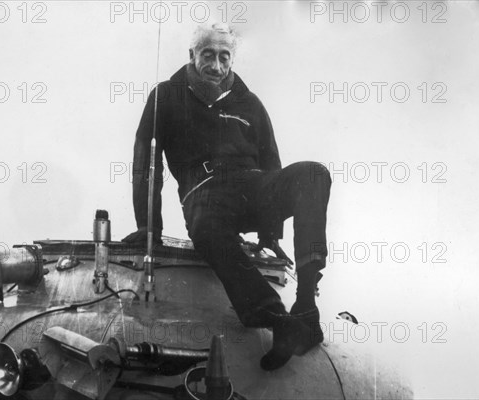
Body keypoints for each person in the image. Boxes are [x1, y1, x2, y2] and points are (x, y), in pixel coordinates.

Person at [122, 23, 332, 371]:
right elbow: (146, 163)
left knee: (314, 173)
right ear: (192, 55)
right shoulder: (166, 96)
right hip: (204, 193)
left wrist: (270, 234)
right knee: (206, 227)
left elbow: (271, 162)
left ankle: (306, 306)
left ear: (232, 59)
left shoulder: (250, 103)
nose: (216, 65)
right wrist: (148, 227)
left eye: (224, 56)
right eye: (208, 55)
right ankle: (277, 321)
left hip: (252, 186)